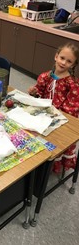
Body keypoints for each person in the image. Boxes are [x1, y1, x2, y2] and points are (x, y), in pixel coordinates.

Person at [28, 42, 79, 174]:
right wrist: (34, 92)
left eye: (69, 61)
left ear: (73, 65)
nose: (63, 62)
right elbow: (39, 93)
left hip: (61, 120)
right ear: (56, 56)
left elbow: (71, 109)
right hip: (44, 115)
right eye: (62, 58)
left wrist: (54, 113)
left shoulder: (72, 84)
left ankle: (51, 164)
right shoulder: (46, 76)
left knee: (55, 141)